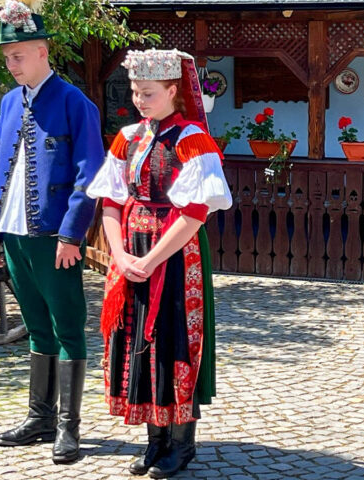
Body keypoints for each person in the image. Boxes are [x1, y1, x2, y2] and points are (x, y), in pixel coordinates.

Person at [86, 48, 231, 478]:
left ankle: (181, 443)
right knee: (136, 339)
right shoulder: (128, 136)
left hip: (175, 254)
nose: (139, 100)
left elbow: (195, 213)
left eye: (148, 92)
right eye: (135, 92)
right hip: (131, 250)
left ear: (172, 90)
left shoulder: (191, 139)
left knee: (172, 338)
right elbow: (111, 201)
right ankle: (155, 439)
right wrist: (120, 255)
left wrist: (150, 259)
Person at [0, 0, 104, 464]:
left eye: (17, 55)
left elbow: (90, 174)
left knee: (67, 326)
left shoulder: (75, 103)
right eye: (6, 57)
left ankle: (69, 427)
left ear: (42, 52)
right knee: (35, 326)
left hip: (54, 239)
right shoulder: (9, 103)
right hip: (14, 236)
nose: (10, 64)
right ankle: (40, 417)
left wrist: (71, 235)